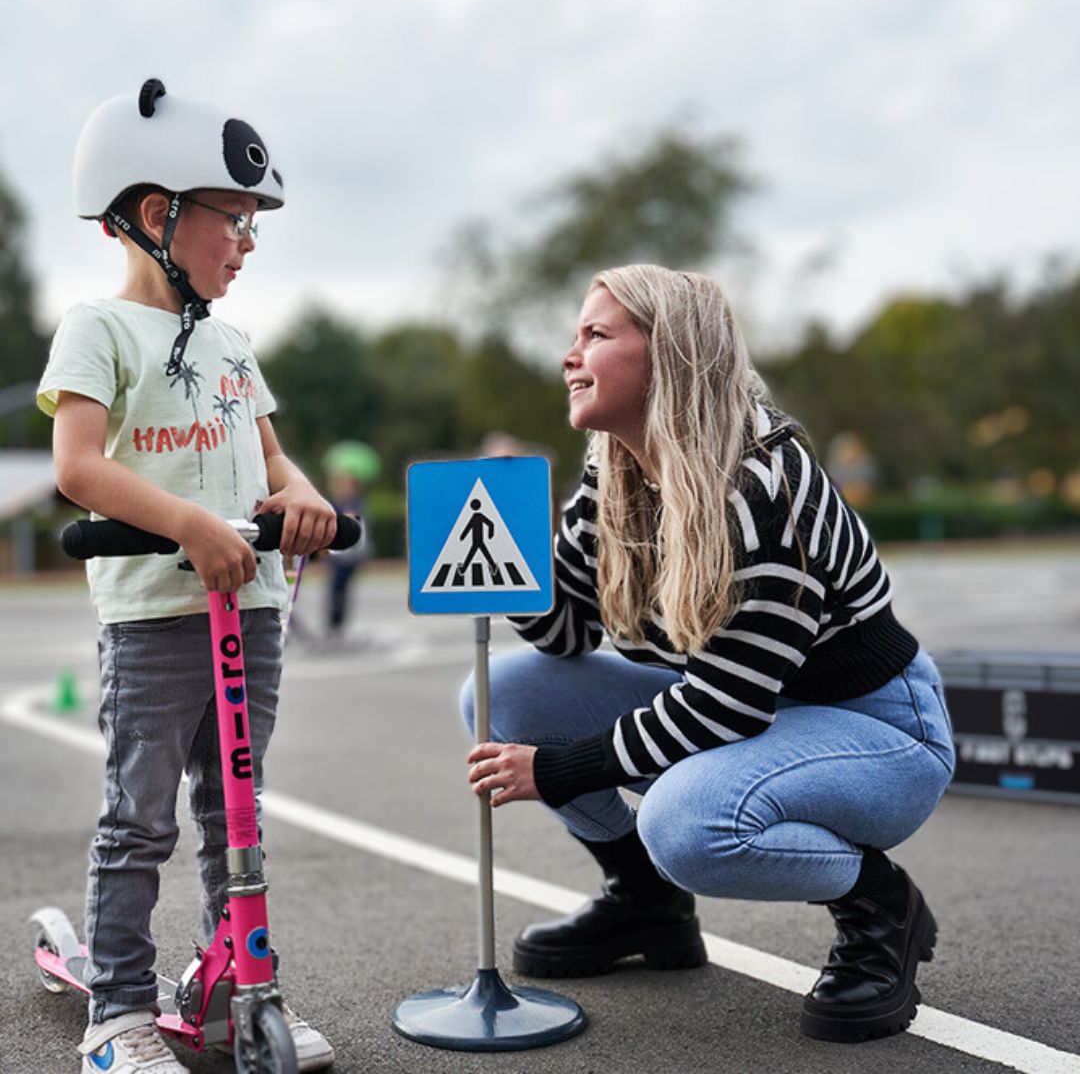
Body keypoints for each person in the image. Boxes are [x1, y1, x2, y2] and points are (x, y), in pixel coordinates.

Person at [462, 264, 955, 1043]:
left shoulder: (766, 484)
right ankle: (646, 903)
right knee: (504, 694)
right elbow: (564, 636)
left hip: (880, 733)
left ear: (670, 353)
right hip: (758, 717)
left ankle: (879, 906)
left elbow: (725, 707)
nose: (569, 355)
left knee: (687, 824)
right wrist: (508, 560)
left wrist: (553, 770)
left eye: (595, 334)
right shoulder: (613, 471)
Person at [37, 79, 337, 1072]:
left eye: (254, 226)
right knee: (140, 819)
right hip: (157, 617)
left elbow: (274, 460)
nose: (247, 244)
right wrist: (190, 526)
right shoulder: (98, 329)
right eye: (235, 220)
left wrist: (304, 498)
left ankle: (238, 986)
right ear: (159, 213)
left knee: (233, 812)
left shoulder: (233, 342)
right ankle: (118, 1014)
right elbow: (79, 467)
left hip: (253, 609)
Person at [321, 440, 380, 642]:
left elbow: (360, 531)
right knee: (336, 589)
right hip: (339, 555)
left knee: (339, 589)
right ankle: (334, 623)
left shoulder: (355, 504)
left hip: (349, 554)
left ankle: (336, 624)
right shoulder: (338, 504)